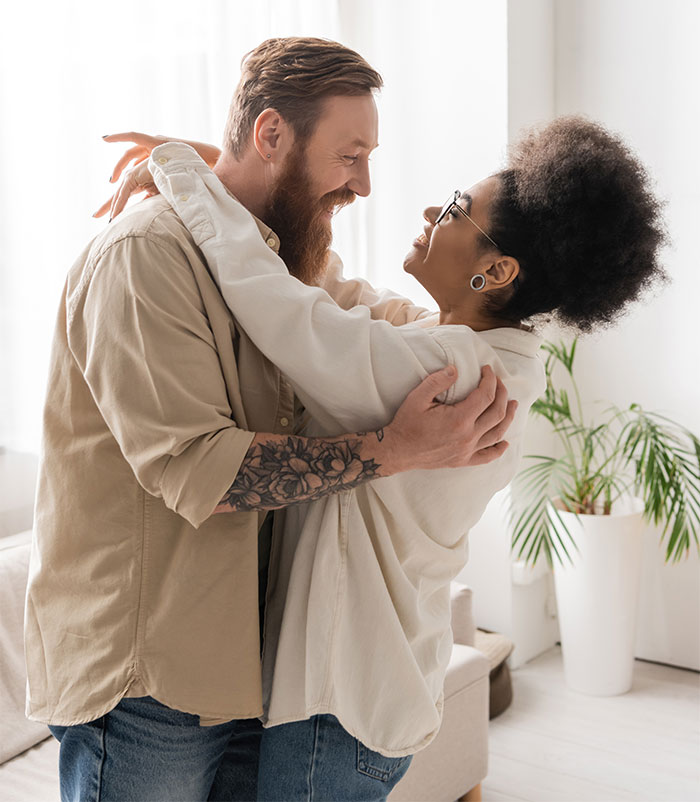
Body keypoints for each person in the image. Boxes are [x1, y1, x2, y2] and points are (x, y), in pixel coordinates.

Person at [108, 115, 666, 801]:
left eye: (457, 210)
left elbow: (285, 310)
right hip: (366, 704)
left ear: (495, 270)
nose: (435, 211)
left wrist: (184, 171)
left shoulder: (450, 370)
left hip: (342, 710)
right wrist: (236, 179)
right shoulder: (481, 353)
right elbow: (340, 301)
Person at [25, 38, 515, 802]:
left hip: (247, 670)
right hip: (148, 679)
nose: (364, 184)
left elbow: (376, 319)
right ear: (272, 136)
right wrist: (391, 450)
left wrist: (199, 168)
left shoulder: (279, 266)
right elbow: (202, 469)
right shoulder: (145, 258)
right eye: (350, 155)